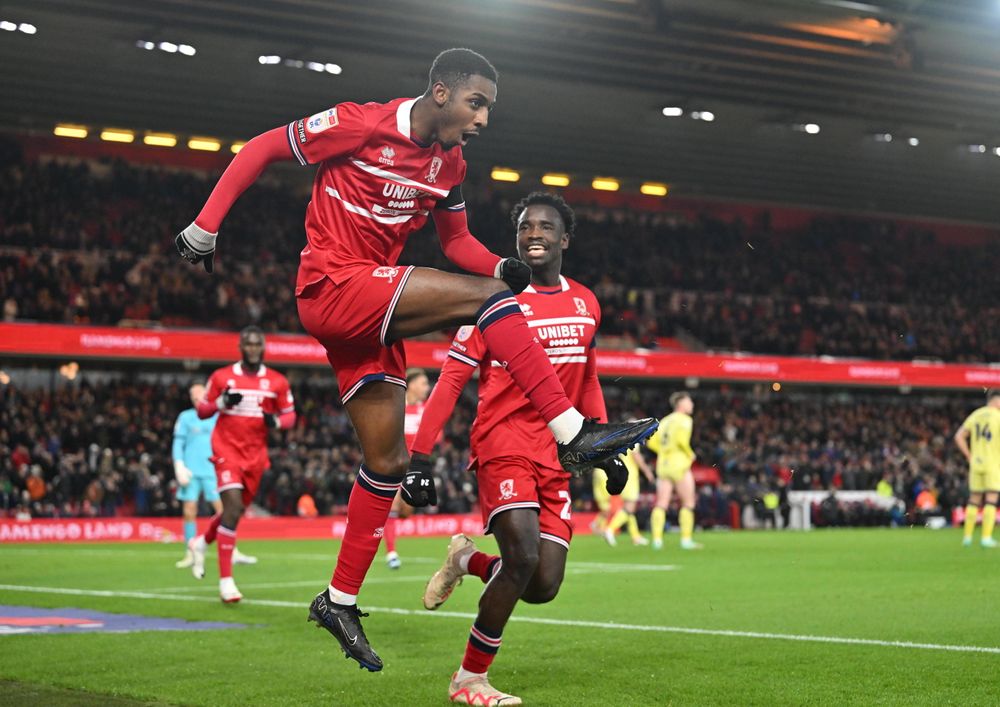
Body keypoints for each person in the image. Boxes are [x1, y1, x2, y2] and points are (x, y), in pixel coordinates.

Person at [175, 48, 655, 670]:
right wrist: (206, 225)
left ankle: (339, 598)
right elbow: (261, 148)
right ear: (439, 93)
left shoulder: (450, 163)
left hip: (373, 312)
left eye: (488, 107)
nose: (482, 118)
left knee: (388, 460)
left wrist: (504, 269)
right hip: (334, 285)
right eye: (475, 102)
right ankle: (572, 433)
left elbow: (456, 243)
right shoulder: (361, 123)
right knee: (488, 303)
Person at [412, 192, 630, 705]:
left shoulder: (586, 301)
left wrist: (601, 447)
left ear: (564, 239)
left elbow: (588, 376)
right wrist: (419, 456)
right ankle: (470, 680)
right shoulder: (490, 301)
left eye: (545, 226)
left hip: (557, 453)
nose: (534, 234)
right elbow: (449, 383)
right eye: (525, 226)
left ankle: (466, 561)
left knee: (541, 583)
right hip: (504, 443)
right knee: (524, 556)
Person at [187, 327, 296, 601]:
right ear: (240, 346)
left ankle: (200, 542)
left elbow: (290, 416)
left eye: (256, 344)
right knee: (232, 507)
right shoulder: (222, 376)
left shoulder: (277, 381)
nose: (252, 348)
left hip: (255, 455)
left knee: (236, 511)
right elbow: (202, 410)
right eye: (247, 344)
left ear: (263, 347)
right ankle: (226, 583)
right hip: (226, 449)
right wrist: (222, 402)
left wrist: (275, 422)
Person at [172, 382, 257, 569]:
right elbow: (178, 444)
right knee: (189, 511)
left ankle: (231, 550)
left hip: (214, 470)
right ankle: (190, 552)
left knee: (224, 511)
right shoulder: (185, 418)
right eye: (194, 398)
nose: (197, 401)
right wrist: (179, 465)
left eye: (200, 397)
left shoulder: (217, 416)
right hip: (191, 471)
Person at [383, 368, 432, 570]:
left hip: (414, 468)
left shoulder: (426, 409)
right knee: (392, 506)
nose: (427, 388)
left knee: (405, 512)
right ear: (411, 385)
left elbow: (435, 437)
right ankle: (391, 553)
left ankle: (382, 531)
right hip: (393, 463)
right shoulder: (394, 407)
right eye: (423, 383)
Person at [646, 392, 701, 550]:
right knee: (688, 502)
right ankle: (686, 540)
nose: (692, 404)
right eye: (689, 401)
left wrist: (664, 451)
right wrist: (690, 454)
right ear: (681, 403)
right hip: (679, 464)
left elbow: (651, 443)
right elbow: (681, 441)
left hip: (663, 464)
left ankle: (657, 540)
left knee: (661, 503)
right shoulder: (685, 420)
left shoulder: (665, 420)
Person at [954, 389, 1000, 548]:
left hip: (976, 463)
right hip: (993, 463)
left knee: (973, 500)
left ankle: (967, 537)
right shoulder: (998, 417)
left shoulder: (976, 414)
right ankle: (986, 538)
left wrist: (969, 456)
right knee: (991, 500)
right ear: (997, 400)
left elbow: (959, 436)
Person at [601, 444, 655, 546]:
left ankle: (636, 536)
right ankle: (610, 529)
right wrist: (647, 471)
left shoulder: (625, 436)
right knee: (629, 507)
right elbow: (636, 456)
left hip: (623, 473)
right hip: (630, 476)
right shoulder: (634, 435)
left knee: (629, 508)